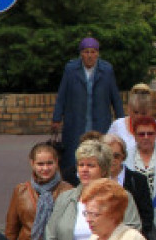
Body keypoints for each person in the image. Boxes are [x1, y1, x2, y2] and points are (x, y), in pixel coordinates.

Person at [44, 140, 141, 240]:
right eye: (81, 165)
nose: (84, 170)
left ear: (103, 170)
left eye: (91, 165)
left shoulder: (121, 197)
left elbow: (132, 233)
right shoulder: (65, 198)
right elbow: (51, 238)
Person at [51, 37, 125, 182]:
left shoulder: (106, 70)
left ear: (98, 54)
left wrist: (121, 119)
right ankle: (73, 183)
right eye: (86, 52)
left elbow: (115, 96)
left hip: (99, 120)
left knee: (100, 152)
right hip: (76, 120)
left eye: (93, 52)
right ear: (81, 54)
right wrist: (56, 118)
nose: (90, 55)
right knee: (73, 153)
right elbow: (62, 94)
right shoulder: (71, 69)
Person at [106, 83, 156, 162]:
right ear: (129, 109)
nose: (139, 117)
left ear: (150, 111)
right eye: (135, 112)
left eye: (143, 113)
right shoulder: (117, 126)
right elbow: (106, 151)